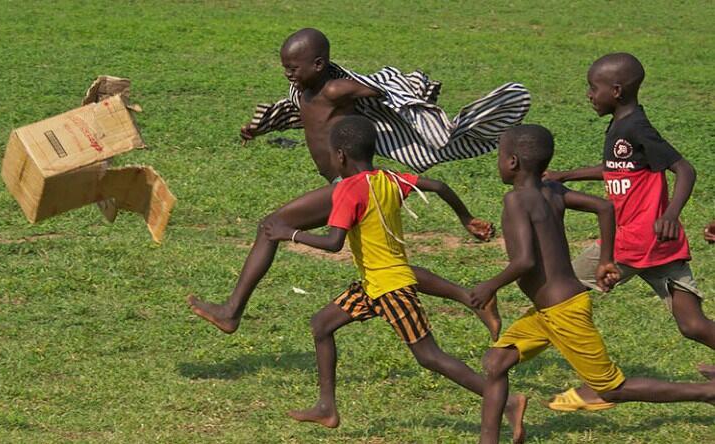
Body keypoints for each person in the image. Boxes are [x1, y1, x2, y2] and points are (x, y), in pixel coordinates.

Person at [187, 28, 531, 340]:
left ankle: (232, 311)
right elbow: (304, 117)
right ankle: (472, 298)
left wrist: (412, 93)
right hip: (353, 183)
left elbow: (382, 91)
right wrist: (261, 127)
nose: (288, 73)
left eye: (294, 67)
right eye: (285, 67)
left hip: (348, 185)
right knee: (390, 269)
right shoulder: (303, 90)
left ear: (320, 64)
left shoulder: (336, 89)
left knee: (270, 226)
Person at [264, 116, 528, 441]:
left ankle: (508, 402)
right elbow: (438, 186)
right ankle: (326, 407)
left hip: (390, 288)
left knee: (430, 357)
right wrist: (466, 218)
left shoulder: (348, 190)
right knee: (321, 324)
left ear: (341, 156)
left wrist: (289, 233)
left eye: (332, 155)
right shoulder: (388, 179)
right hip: (374, 286)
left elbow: (333, 243)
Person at [465, 124, 715, 444]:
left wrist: (489, 285)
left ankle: (707, 392)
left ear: (512, 162)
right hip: (549, 311)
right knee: (496, 362)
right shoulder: (551, 191)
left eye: (499, 156)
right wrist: (607, 259)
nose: (498, 163)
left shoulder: (516, 201)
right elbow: (605, 206)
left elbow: (524, 260)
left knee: (612, 388)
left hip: (562, 311)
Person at [542, 53, 715, 408]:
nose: (589, 95)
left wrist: (671, 212)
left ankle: (592, 382)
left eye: (594, 87)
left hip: (636, 241)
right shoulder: (622, 125)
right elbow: (616, 168)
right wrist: (566, 175)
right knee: (693, 325)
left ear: (616, 91)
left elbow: (685, 169)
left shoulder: (637, 127)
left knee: (559, 291)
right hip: (657, 246)